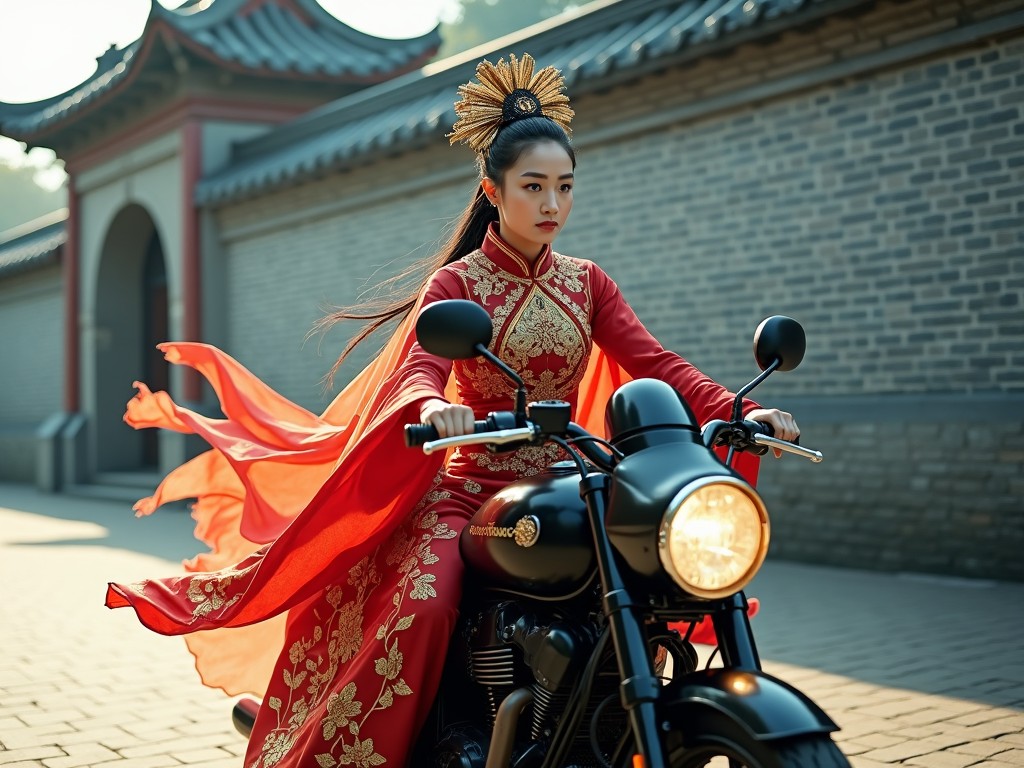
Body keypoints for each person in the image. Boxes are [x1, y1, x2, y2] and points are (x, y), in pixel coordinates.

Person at [106, 54, 799, 768]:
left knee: (651, 581)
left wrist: (740, 408)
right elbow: (418, 370)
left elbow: (659, 365)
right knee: (429, 605)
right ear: (493, 191)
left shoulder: (588, 283)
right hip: (468, 493)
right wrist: (433, 407)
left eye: (565, 186)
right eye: (533, 186)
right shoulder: (457, 285)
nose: (552, 204)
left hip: (568, 484)